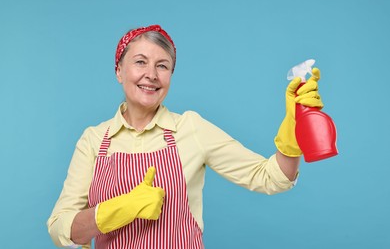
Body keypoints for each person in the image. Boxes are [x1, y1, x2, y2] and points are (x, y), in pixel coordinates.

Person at [47, 24, 324, 248]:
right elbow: (61, 228)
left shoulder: (191, 128)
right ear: (119, 71)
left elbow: (271, 177)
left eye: (163, 66)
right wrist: (114, 211)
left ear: (170, 75)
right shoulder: (94, 140)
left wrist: (294, 129)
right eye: (140, 62)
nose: (151, 75)